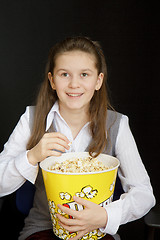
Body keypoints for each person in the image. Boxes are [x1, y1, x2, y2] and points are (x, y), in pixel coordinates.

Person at [0, 36, 155, 240]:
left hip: (98, 231)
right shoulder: (31, 119)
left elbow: (144, 194)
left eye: (84, 74)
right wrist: (32, 156)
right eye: (64, 74)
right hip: (42, 229)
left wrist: (106, 216)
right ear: (52, 80)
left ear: (98, 81)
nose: (74, 84)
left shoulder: (117, 124)